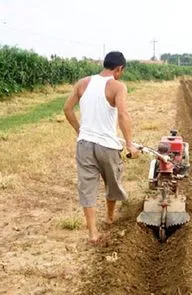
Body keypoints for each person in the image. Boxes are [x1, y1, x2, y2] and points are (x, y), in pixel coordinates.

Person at [63, 51, 139, 244]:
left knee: (87, 187)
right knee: (111, 183)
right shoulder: (118, 86)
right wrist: (130, 144)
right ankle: (109, 218)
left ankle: (93, 234)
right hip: (107, 146)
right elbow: (123, 115)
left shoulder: (83, 82)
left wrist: (79, 130)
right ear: (119, 68)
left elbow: (67, 109)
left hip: (85, 145)